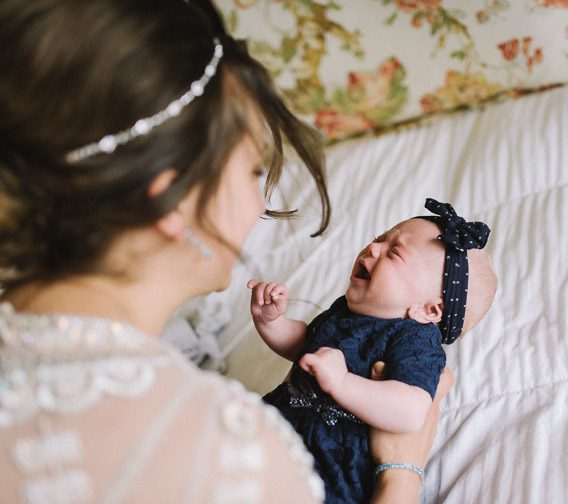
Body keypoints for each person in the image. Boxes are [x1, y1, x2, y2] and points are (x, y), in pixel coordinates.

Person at [0, 1, 449, 502]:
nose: (260, 204)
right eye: (255, 171)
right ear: (170, 199)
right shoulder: (230, 453)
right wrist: (403, 468)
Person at [248, 198, 498, 503]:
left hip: (328, 465)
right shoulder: (345, 310)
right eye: (379, 239)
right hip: (270, 431)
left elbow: (410, 410)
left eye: (394, 253)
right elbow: (306, 349)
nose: (373, 248)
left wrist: (342, 382)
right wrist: (273, 323)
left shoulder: (416, 341)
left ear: (430, 309)